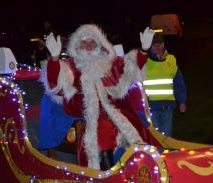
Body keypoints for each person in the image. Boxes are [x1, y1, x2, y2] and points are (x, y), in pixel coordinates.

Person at [41, 24, 155, 170]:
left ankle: (144, 166)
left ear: (99, 44)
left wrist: (144, 50)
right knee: (102, 127)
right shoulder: (70, 66)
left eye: (92, 42)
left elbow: (129, 68)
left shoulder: (108, 64)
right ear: (77, 44)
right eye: (84, 42)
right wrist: (55, 58)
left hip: (114, 110)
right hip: (85, 112)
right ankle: (108, 171)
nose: (88, 46)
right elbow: (55, 86)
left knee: (139, 124)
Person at [143, 33, 187, 137]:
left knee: (167, 136)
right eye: (154, 45)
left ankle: (167, 152)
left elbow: (178, 82)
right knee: (157, 137)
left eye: (159, 44)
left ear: (163, 44)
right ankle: (160, 152)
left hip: (168, 106)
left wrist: (182, 101)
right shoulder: (144, 62)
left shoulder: (171, 60)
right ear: (149, 46)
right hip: (151, 107)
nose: (157, 47)